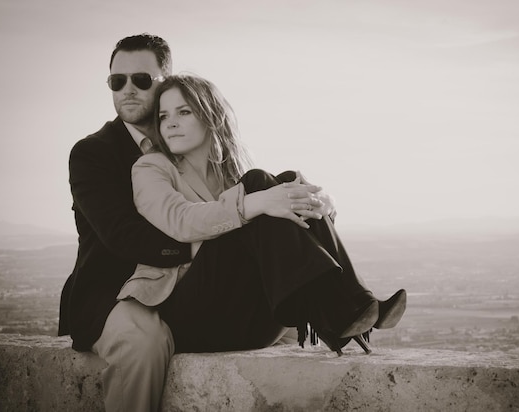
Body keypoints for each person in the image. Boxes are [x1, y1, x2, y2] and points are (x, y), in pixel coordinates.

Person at [58, 33, 341, 412]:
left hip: (195, 287)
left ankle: (345, 305)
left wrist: (318, 198)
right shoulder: (93, 152)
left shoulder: (187, 146)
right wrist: (214, 239)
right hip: (115, 291)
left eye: (141, 80)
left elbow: (244, 194)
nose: (127, 90)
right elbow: (122, 237)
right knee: (144, 344)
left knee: (266, 183)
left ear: (165, 82)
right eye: (116, 81)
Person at [121, 73, 407, 357]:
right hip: (192, 319)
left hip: (251, 319)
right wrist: (254, 203)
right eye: (163, 116)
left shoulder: (231, 172)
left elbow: (288, 232)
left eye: (183, 112)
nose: (170, 123)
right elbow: (181, 222)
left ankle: (352, 306)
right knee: (260, 183)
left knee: (282, 181)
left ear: (211, 116)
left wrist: (324, 204)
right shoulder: (150, 168)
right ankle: (346, 308)